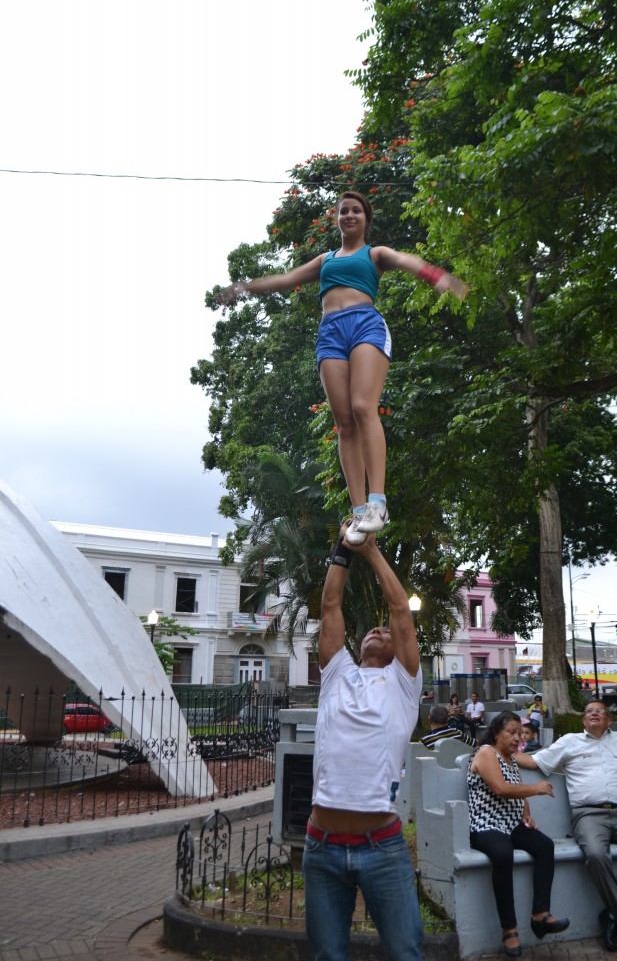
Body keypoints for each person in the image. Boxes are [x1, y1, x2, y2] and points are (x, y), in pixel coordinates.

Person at [216, 191, 470, 546]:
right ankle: (359, 509)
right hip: (330, 333)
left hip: (365, 325)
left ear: (366, 219)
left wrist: (437, 276)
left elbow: (407, 259)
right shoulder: (325, 259)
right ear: (337, 219)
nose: (349, 215)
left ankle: (379, 503)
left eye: (356, 211)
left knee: (363, 407)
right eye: (343, 211)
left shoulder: (375, 254)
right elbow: (286, 279)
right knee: (343, 422)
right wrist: (244, 287)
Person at [302, 523, 423, 961]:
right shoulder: (338, 673)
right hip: (321, 845)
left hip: (382, 847)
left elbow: (400, 611)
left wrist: (371, 551)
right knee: (327, 956)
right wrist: (342, 545)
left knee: (406, 952)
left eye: (386, 633)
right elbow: (330, 603)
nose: (379, 630)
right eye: (373, 631)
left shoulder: (404, 684)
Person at [516, 701, 617, 953]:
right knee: (595, 855)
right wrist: (496, 751)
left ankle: (613, 916)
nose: (594, 713)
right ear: (584, 721)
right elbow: (534, 762)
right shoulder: (570, 742)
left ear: (608, 720)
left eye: (600, 711)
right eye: (589, 712)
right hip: (588, 815)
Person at [467, 710, 570, 957]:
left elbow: (516, 786)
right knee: (503, 855)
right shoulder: (486, 753)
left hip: (512, 823)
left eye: (520, 734)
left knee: (545, 846)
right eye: (511, 732)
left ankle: (540, 915)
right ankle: (509, 929)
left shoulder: (511, 759)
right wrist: (535, 789)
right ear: (496, 733)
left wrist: (526, 812)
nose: (517, 738)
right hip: (486, 824)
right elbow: (501, 788)